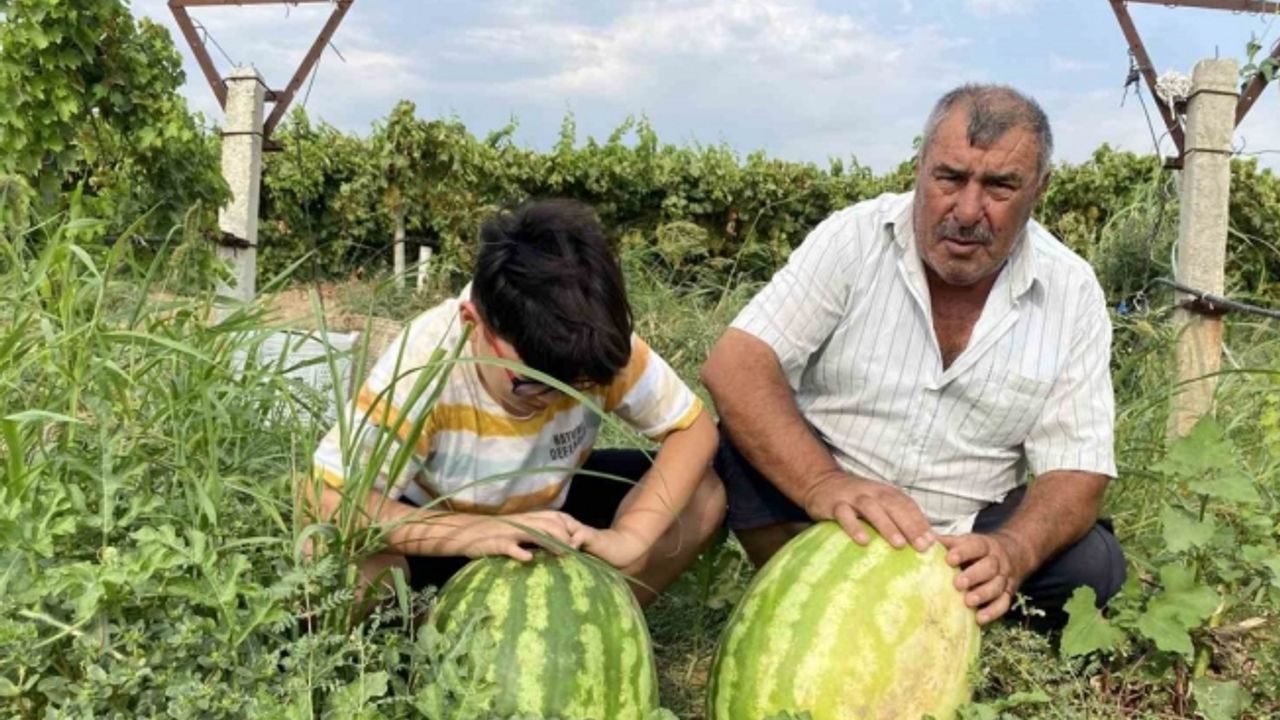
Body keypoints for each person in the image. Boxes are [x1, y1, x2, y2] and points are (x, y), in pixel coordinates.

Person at [700, 84, 1125, 630]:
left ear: (1039, 189)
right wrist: (823, 485)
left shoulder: (1072, 289)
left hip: (963, 538)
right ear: (920, 166)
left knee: (1094, 565)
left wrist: (1013, 551)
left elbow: (1078, 467)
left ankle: (938, 602)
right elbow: (735, 363)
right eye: (949, 177)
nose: (968, 211)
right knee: (736, 438)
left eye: (1000, 186)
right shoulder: (854, 237)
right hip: (823, 513)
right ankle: (806, 587)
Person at [307, 199, 725, 607]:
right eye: (532, 384)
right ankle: (416, 643)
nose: (554, 401)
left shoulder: (593, 345)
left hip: (549, 518)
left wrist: (630, 536)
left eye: (579, 388)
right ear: (475, 325)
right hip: (434, 533)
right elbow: (325, 499)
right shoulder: (425, 364)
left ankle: (601, 628)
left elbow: (693, 429)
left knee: (701, 494)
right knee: (340, 561)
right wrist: (470, 533)